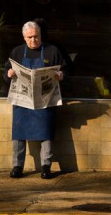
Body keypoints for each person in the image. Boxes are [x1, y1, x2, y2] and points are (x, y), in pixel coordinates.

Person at [4, 20, 66, 179]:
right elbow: (6, 72)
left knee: (45, 132)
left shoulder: (52, 51)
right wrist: (9, 74)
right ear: (24, 37)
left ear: (40, 35)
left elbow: (64, 70)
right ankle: (17, 166)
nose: (33, 40)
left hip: (44, 102)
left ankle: (46, 166)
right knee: (19, 133)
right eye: (30, 37)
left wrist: (60, 75)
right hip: (22, 101)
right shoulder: (17, 52)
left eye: (36, 36)